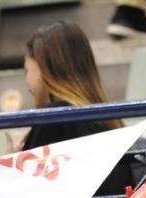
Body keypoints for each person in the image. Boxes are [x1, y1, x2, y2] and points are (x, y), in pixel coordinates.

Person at [21, 22, 122, 151]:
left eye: (26, 71)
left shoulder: (50, 118)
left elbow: (34, 170)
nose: (27, 82)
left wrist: (15, 160)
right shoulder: (111, 120)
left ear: (41, 70)